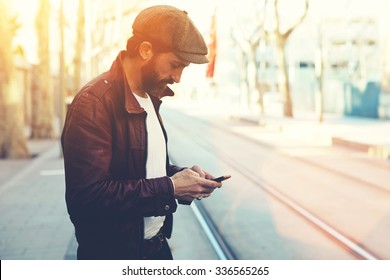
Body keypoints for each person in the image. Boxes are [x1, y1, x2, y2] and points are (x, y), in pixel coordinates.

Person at [61, 5, 224, 260]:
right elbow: (88, 197)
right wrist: (170, 188)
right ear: (146, 50)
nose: (178, 78)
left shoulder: (149, 97)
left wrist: (183, 177)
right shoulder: (94, 102)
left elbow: (139, 168)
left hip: (156, 249)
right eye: (174, 65)